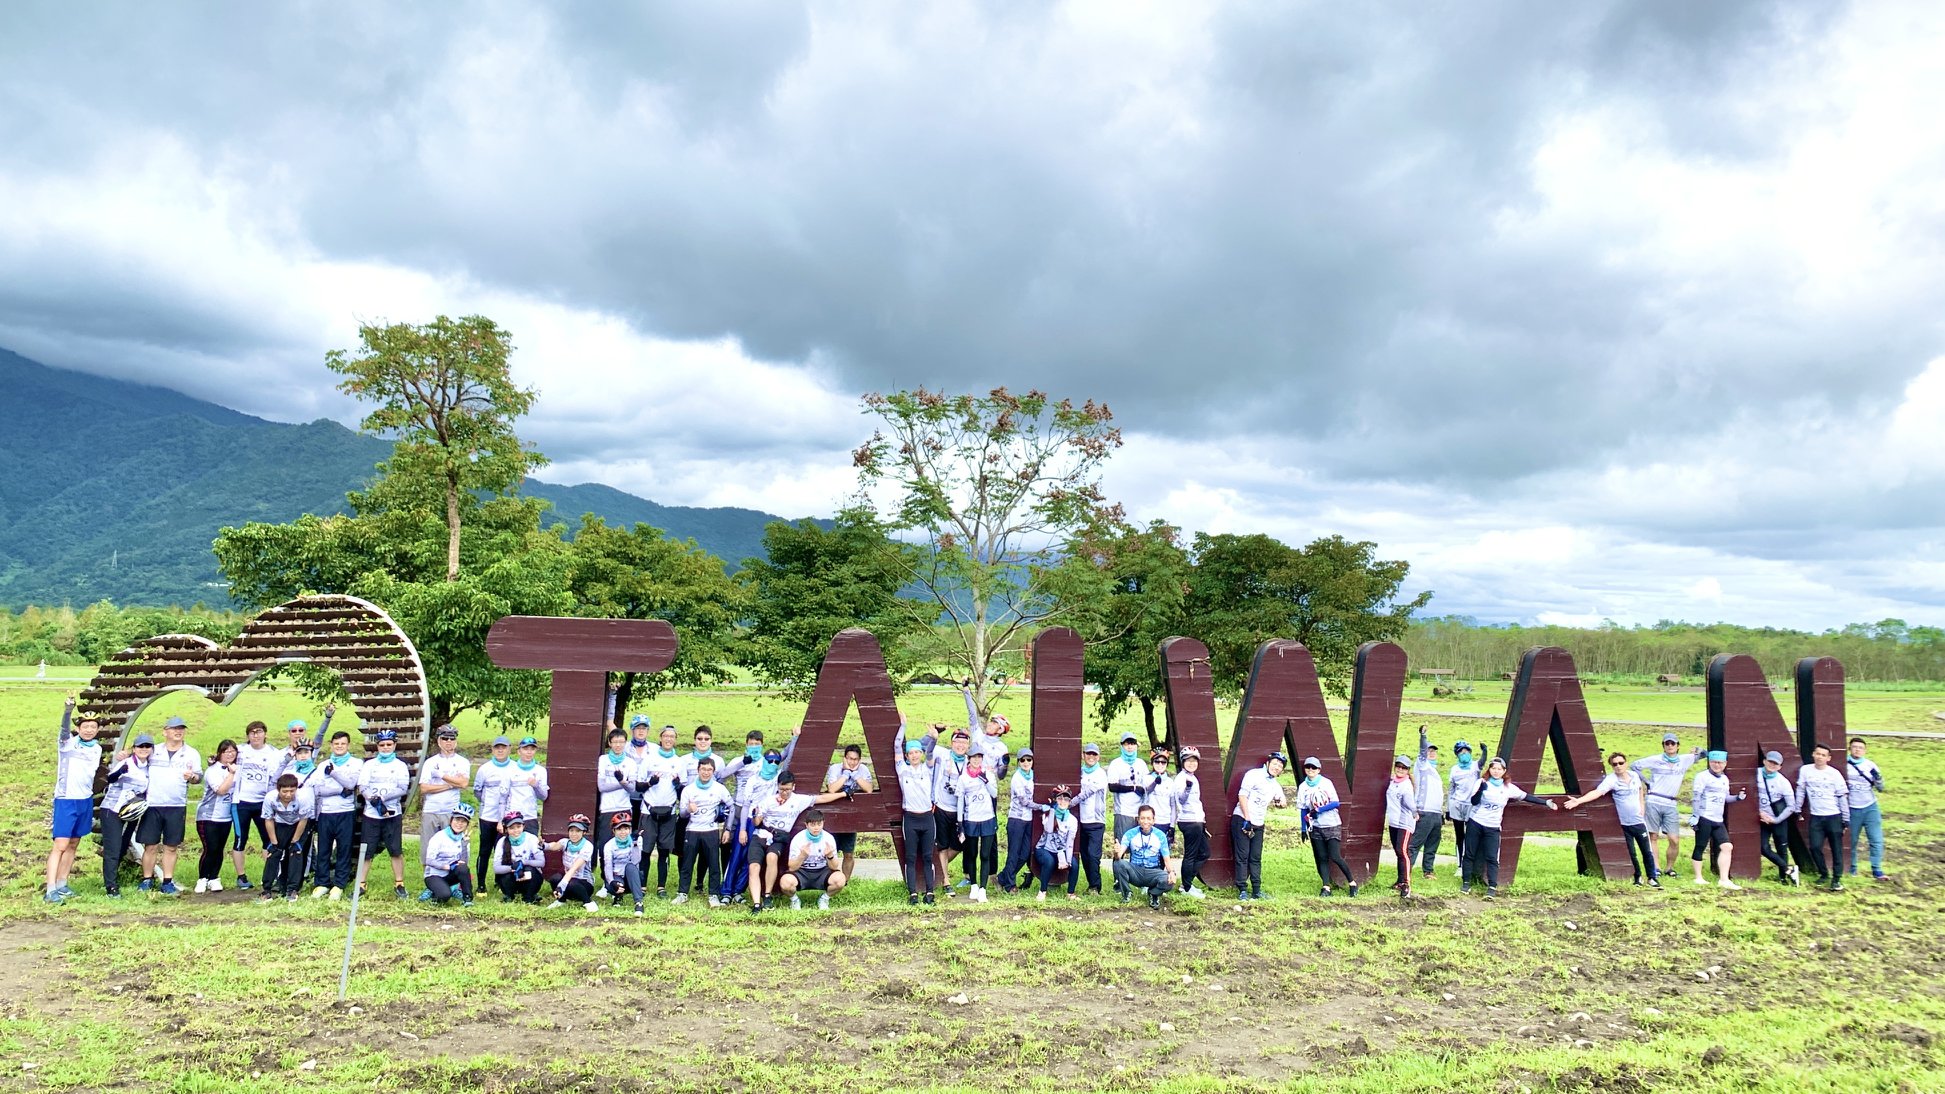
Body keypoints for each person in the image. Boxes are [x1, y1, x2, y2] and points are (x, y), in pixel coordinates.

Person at [892, 720, 976, 895]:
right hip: (940, 807)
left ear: (968, 745)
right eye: (956, 742)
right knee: (942, 846)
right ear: (951, 743)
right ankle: (945, 881)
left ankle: (938, 868)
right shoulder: (942, 753)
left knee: (960, 845)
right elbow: (924, 749)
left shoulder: (971, 761)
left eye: (964, 742)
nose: (960, 745)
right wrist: (933, 735)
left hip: (961, 810)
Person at [745, 772, 847, 911]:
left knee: (772, 857)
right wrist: (756, 814)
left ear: (793, 787)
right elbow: (757, 822)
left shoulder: (798, 800)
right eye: (781, 789)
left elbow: (821, 798)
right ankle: (757, 904)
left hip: (779, 837)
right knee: (754, 867)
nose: (784, 792)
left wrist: (843, 794)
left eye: (787, 789)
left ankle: (767, 896)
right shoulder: (768, 800)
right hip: (762, 834)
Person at [1462, 757, 1559, 896]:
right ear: (1489, 769)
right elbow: (1474, 801)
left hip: (1493, 826)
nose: (1496, 771)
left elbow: (1525, 796)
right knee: (1470, 853)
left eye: (1499, 769)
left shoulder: (1508, 787)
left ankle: (1492, 887)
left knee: (1492, 856)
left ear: (1504, 771)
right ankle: (1466, 883)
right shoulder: (1481, 782)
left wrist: (1545, 803)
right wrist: (1480, 791)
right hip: (1476, 822)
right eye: (1493, 768)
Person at [1563, 752, 1660, 887]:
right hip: (1624, 823)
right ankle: (1637, 877)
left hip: (1639, 822)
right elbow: (1597, 792)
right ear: (1612, 766)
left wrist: (1642, 806)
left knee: (1646, 850)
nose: (1618, 766)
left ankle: (1652, 877)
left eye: (1621, 763)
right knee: (1631, 852)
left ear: (1626, 763)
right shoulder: (1611, 780)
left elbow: (1640, 790)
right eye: (1615, 764)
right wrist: (1578, 801)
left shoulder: (1634, 775)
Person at [45, 695, 103, 903]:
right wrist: (68, 711)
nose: (88, 730)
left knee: (74, 843)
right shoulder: (68, 744)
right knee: (60, 844)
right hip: (66, 799)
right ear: (78, 728)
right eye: (85, 726)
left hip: (84, 800)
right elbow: (62, 731)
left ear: (97, 729)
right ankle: (50, 889)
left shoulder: (97, 748)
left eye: (93, 726)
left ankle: (62, 883)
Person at [135, 715, 200, 894]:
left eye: (181, 728)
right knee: (151, 845)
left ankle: (167, 881)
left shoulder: (191, 753)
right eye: (173, 728)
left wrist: (193, 777)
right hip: (153, 804)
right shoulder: (153, 750)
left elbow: (198, 777)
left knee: (171, 845)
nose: (178, 732)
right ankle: (147, 879)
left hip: (176, 805)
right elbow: (136, 760)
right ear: (165, 732)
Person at [1632, 735, 1705, 876]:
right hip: (1654, 799)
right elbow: (1635, 766)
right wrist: (1647, 781)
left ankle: (1669, 867)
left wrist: (1698, 749)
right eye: (1667, 743)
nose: (1670, 746)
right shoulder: (1656, 760)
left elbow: (1706, 754)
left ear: (1678, 745)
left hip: (1671, 802)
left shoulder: (1684, 759)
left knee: (1674, 839)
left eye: (1673, 743)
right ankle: (1656, 867)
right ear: (1663, 746)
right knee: (1653, 836)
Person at [356, 728, 413, 899]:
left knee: (395, 849)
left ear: (394, 745)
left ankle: (399, 883)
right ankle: (361, 883)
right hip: (371, 814)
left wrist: (382, 798)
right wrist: (371, 798)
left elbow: (403, 788)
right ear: (377, 746)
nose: (386, 747)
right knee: (367, 850)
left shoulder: (400, 766)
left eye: (389, 744)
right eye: (382, 745)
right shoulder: (369, 765)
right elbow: (363, 786)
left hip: (392, 813)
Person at [309, 728, 363, 900]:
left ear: (348, 745)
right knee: (324, 848)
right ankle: (322, 883)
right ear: (331, 745)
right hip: (326, 812)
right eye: (336, 743)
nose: (339, 746)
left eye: (343, 744)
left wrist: (334, 775)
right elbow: (317, 789)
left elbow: (352, 783)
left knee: (343, 849)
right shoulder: (323, 764)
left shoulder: (356, 763)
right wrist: (340, 789)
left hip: (345, 812)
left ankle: (339, 884)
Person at [99, 733, 153, 897]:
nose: (144, 749)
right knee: (113, 849)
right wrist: (121, 770)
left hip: (131, 812)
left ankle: (114, 879)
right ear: (134, 748)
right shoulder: (127, 762)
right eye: (140, 746)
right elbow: (110, 778)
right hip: (113, 810)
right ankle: (111, 887)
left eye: (147, 746)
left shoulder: (151, 766)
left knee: (122, 847)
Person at [230, 721, 282, 891]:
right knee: (240, 839)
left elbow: (276, 776)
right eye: (252, 732)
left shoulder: (274, 753)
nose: (255, 735)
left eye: (259, 732)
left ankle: (269, 877)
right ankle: (241, 876)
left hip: (263, 802)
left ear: (265, 734)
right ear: (247, 736)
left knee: (268, 840)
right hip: (241, 801)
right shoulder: (240, 750)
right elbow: (223, 757)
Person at [1293, 755, 1356, 897]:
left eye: (1313, 767)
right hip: (1315, 826)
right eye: (1308, 767)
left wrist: (1318, 810)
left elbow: (1335, 802)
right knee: (1321, 857)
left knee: (1335, 856)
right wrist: (1303, 828)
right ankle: (1326, 887)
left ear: (1319, 769)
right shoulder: (1303, 787)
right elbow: (1303, 808)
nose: (1310, 770)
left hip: (1331, 824)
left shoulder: (1326, 783)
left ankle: (1352, 882)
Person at [675, 756, 733, 906]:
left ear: (713, 771)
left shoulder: (719, 788)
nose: (706, 773)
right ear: (698, 770)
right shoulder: (688, 790)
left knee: (714, 864)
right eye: (703, 769)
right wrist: (688, 809)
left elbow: (731, 807)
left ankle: (713, 894)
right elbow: (681, 813)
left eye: (709, 770)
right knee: (687, 863)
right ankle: (682, 893)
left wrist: (727, 828)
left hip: (711, 830)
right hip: (692, 830)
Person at [1231, 752, 1289, 901]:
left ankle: (1256, 890)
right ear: (1268, 763)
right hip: (1243, 819)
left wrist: (1281, 803)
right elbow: (1242, 795)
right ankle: (1242, 889)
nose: (1277, 767)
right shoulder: (1253, 774)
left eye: (1280, 766)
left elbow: (1281, 800)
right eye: (1275, 763)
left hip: (1259, 822)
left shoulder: (1275, 784)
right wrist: (1247, 818)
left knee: (1255, 857)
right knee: (1242, 856)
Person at [1795, 745, 1850, 892]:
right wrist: (1797, 808)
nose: (1820, 757)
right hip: (1816, 816)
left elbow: (1842, 797)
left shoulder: (1834, 774)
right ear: (1813, 754)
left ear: (1828, 758)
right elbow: (1801, 790)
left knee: (1836, 849)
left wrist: (1846, 818)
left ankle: (1836, 879)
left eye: (1823, 755)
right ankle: (1824, 873)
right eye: (1817, 754)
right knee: (1814, 847)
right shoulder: (1806, 770)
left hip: (1833, 815)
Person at [640, 725, 686, 896]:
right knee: (645, 850)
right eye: (665, 736)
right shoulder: (648, 759)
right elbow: (638, 786)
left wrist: (677, 785)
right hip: (648, 810)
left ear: (675, 739)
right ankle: (642, 886)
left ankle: (661, 887)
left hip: (669, 812)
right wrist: (650, 783)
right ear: (660, 738)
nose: (668, 739)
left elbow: (683, 791)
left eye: (672, 736)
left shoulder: (679, 762)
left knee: (664, 851)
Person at [1688, 750, 1746, 889]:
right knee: (1700, 846)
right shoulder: (1702, 777)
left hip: (1718, 819)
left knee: (1727, 846)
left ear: (1725, 764)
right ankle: (1698, 877)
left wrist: (1738, 797)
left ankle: (1724, 879)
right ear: (1709, 762)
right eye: (1714, 762)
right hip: (1704, 817)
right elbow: (1696, 797)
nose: (1716, 765)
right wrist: (1695, 816)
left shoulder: (1725, 779)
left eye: (1719, 762)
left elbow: (1726, 798)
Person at [419, 725, 471, 874]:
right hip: (431, 809)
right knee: (428, 847)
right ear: (438, 741)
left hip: (452, 811)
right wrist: (449, 785)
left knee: (452, 847)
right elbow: (424, 788)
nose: (449, 742)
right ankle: (429, 879)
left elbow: (463, 783)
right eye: (445, 738)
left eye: (452, 738)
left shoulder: (462, 762)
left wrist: (441, 775)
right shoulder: (430, 762)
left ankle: (452, 880)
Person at [895, 733, 939, 905]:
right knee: (911, 857)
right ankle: (912, 893)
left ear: (920, 753)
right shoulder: (902, 769)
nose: (914, 755)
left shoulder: (927, 768)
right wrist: (903, 726)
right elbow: (897, 745)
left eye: (917, 752)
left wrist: (934, 738)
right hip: (911, 818)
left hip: (927, 818)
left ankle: (930, 892)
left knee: (928, 857)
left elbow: (931, 753)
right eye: (910, 753)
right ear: (907, 756)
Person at [824, 744, 877, 880]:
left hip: (851, 816)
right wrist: (846, 773)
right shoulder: (835, 768)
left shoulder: (863, 769)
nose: (852, 762)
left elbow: (869, 789)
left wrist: (855, 775)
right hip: (834, 815)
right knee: (831, 852)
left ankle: (845, 881)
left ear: (859, 760)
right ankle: (831, 879)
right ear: (844, 758)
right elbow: (832, 789)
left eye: (855, 759)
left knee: (848, 853)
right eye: (849, 758)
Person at [470, 736, 516, 893]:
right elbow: (477, 791)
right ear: (493, 749)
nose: (500, 750)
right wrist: (488, 803)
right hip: (487, 817)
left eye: (503, 747)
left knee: (504, 850)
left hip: (507, 818)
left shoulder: (515, 768)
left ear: (510, 748)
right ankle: (481, 884)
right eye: (497, 747)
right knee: (485, 850)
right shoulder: (484, 769)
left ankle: (500, 882)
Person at [956, 749, 1002, 902]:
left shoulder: (987, 773)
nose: (976, 760)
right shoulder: (963, 778)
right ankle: (974, 885)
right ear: (969, 759)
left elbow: (994, 794)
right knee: (972, 853)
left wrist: (986, 781)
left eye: (979, 757)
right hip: (971, 819)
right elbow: (960, 801)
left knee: (985, 855)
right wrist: (960, 822)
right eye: (973, 757)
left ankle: (983, 888)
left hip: (987, 818)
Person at [193, 740, 238, 895]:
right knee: (210, 848)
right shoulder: (213, 770)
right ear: (220, 753)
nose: (230, 754)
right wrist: (232, 774)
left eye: (233, 751)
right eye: (226, 751)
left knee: (219, 849)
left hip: (226, 817)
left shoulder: (237, 768)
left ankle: (214, 878)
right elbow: (221, 790)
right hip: (208, 816)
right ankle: (202, 878)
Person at [779, 809, 849, 910]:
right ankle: (794, 900)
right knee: (785, 883)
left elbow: (834, 867)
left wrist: (830, 855)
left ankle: (825, 898)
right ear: (806, 825)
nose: (816, 828)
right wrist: (802, 856)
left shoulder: (828, 838)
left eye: (819, 824)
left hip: (822, 871)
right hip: (802, 871)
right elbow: (792, 867)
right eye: (812, 825)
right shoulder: (798, 839)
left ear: (823, 823)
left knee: (840, 879)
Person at [1112, 804, 1174, 909]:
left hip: (1153, 872)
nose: (1146, 821)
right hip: (1135, 871)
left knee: (1168, 880)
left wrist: (1171, 872)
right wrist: (1116, 852)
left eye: (1149, 818)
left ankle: (1153, 894)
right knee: (1118, 864)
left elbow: (1166, 860)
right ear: (1138, 820)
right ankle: (1127, 893)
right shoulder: (1130, 833)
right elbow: (1119, 856)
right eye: (1143, 818)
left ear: (1154, 820)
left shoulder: (1160, 836)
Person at [260, 773, 311, 900]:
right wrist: (274, 842)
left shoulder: (303, 798)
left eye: (291, 791)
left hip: (298, 824)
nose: (288, 795)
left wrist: (295, 840)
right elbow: (268, 819)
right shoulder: (270, 798)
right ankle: (267, 890)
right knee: (274, 853)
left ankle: (292, 889)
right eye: (285, 791)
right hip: (280, 824)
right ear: (278, 789)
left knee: (296, 853)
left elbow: (303, 820)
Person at [1753, 751, 1800, 886]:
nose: (1772, 765)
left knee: (1781, 847)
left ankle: (1783, 877)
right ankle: (1789, 868)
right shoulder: (1755, 774)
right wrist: (1759, 812)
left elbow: (1791, 805)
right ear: (1764, 761)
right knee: (1763, 847)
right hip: (1761, 818)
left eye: (1776, 763)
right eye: (1770, 761)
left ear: (1780, 766)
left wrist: (1776, 820)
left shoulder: (1782, 782)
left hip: (1777, 819)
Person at [1071, 742, 1110, 897]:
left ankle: (1096, 886)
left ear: (1098, 757)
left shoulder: (1100, 774)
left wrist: (1070, 802)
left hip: (1096, 821)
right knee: (1085, 855)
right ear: (1083, 755)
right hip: (1081, 820)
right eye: (1088, 754)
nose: (1091, 757)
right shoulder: (1079, 773)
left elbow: (1087, 792)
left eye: (1094, 754)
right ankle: (1091, 884)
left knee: (1094, 855)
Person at [1844, 738, 1886, 880]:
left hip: (1870, 807)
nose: (1857, 750)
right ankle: (1853, 868)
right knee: (1852, 841)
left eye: (1860, 748)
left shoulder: (1870, 765)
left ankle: (1877, 869)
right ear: (1849, 749)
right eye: (1854, 747)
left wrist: (1878, 779)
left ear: (1865, 750)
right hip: (1852, 808)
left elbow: (1880, 788)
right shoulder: (1844, 765)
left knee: (1876, 839)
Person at [1172, 747, 1210, 899]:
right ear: (1183, 762)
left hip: (1197, 820)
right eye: (1188, 760)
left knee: (1205, 853)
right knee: (1190, 855)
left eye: (1194, 760)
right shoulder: (1182, 779)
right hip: (1189, 821)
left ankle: (1186, 883)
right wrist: (1187, 788)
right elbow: (1181, 799)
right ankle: (1186, 888)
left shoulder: (1193, 777)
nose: (1191, 763)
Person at [1406, 726, 1444, 879]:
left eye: (1433, 751)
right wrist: (1423, 735)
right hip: (1425, 811)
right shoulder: (1422, 765)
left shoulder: (1434, 770)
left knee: (1433, 843)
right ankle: (1406, 872)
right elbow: (1422, 751)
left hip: (1436, 813)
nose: (1431, 753)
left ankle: (1428, 870)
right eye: (1429, 751)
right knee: (1415, 844)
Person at [998, 746, 1038, 894]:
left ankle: (1003, 877)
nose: (1026, 762)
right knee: (1014, 852)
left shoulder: (1034, 776)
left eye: (1029, 759)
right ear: (1019, 762)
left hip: (1029, 819)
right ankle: (1009, 885)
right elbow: (1024, 801)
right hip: (1016, 819)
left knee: (1026, 852)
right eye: (1023, 760)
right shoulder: (1017, 778)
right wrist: (1041, 807)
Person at [422, 802, 475, 906]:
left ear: (467, 825)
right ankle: (434, 892)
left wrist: (464, 845)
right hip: (434, 875)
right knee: (445, 895)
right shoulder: (439, 837)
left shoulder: (464, 839)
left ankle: (467, 899)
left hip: (450, 876)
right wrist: (447, 866)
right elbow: (428, 860)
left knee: (463, 868)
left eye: (463, 821)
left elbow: (464, 864)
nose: (459, 824)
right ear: (451, 820)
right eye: (457, 820)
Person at [594, 727, 637, 854]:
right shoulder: (603, 760)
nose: (618, 745)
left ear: (625, 743)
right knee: (604, 845)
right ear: (610, 743)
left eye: (621, 742)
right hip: (607, 808)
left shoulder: (630, 762)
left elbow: (632, 788)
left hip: (624, 807)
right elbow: (601, 787)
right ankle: (605, 873)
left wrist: (623, 783)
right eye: (615, 742)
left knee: (623, 845)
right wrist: (622, 783)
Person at [546, 814, 600, 912]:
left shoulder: (587, 846)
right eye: (571, 830)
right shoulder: (565, 842)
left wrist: (562, 885)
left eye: (578, 831)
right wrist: (543, 845)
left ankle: (588, 902)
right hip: (569, 879)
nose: (574, 834)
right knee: (554, 879)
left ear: (584, 832)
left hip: (584, 883)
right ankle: (561, 900)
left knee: (571, 883)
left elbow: (575, 868)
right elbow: (554, 846)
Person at [1032, 787, 1079, 902]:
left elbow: (1070, 842)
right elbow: (1048, 829)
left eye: (1066, 799)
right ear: (1055, 800)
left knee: (1074, 864)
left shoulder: (1072, 820)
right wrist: (1052, 810)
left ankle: (1071, 893)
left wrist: (1067, 860)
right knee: (1049, 862)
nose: (1063, 802)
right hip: (1044, 848)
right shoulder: (1048, 815)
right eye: (1060, 798)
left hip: (1061, 851)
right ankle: (1042, 891)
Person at [1104, 733, 1151, 844]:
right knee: (1121, 844)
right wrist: (1133, 788)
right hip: (1123, 811)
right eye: (1127, 744)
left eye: (1132, 744)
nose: (1130, 747)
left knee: (1139, 845)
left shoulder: (1141, 764)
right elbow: (1112, 786)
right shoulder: (1116, 764)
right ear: (1122, 746)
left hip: (1140, 812)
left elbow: (1147, 784)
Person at [491, 811, 547, 904]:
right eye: (512, 828)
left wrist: (523, 862)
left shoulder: (532, 838)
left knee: (530, 869)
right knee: (504, 874)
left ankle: (529, 896)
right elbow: (496, 868)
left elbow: (541, 862)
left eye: (518, 827)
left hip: (529, 876)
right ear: (506, 830)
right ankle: (509, 895)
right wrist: (513, 868)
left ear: (523, 826)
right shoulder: (502, 842)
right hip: (512, 876)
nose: (516, 830)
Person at [1384, 755, 1417, 896]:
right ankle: (1400, 881)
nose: (1400, 769)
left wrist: (1415, 812)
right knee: (1398, 852)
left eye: (1404, 768)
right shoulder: (1393, 781)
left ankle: (1406, 884)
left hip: (1405, 822)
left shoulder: (1406, 785)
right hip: (1394, 821)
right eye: (1398, 766)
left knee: (1403, 852)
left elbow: (1410, 804)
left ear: (1408, 770)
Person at [1447, 739, 1480, 881]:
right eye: (1461, 752)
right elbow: (1451, 789)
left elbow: (1483, 762)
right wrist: (1448, 807)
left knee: (1471, 836)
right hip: (1457, 804)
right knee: (1459, 835)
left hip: (1472, 806)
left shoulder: (1475, 766)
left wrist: (1484, 751)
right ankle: (1460, 865)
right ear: (1457, 754)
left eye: (1466, 751)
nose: (1464, 754)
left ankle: (1471, 864)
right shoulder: (1454, 769)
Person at [601, 812, 645, 915]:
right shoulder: (609, 845)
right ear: (614, 831)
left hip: (631, 876)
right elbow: (608, 866)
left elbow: (636, 861)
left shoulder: (637, 840)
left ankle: (639, 902)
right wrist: (612, 882)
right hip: (617, 876)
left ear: (630, 830)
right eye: (619, 829)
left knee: (630, 866)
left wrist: (634, 844)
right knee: (614, 884)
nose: (623, 832)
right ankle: (618, 897)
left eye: (626, 829)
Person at [506, 736, 550, 825]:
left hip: (530, 817)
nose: (529, 752)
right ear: (519, 751)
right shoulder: (509, 769)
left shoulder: (541, 771)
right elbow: (503, 795)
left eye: (532, 749)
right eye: (525, 749)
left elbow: (544, 796)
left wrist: (536, 786)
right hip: (512, 815)